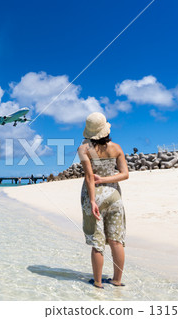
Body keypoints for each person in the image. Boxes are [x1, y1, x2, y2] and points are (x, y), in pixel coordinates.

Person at [78, 112, 129, 289]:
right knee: (116, 240)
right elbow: (125, 174)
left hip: (95, 196)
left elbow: (89, 177)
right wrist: (107, 180)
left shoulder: (84, 149)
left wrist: (92, 200)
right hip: (114, 196)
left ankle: (98, 283)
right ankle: (117, 280)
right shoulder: (116, 148)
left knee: (97, 242)